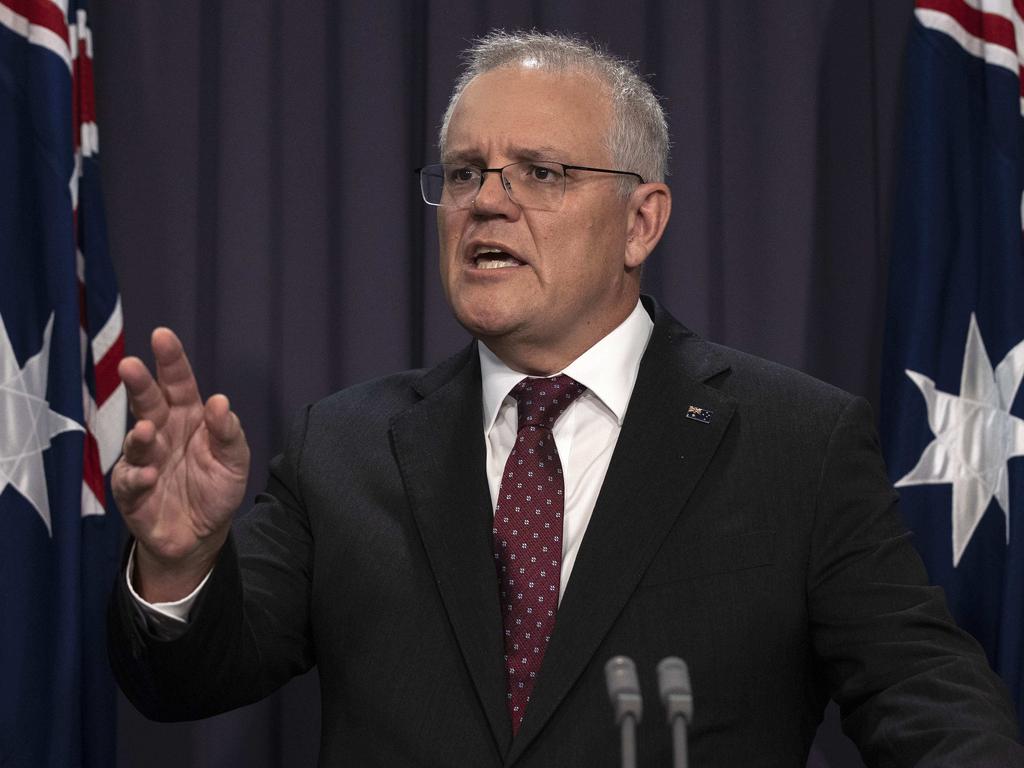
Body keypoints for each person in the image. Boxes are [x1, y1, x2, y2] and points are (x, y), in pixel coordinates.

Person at [108, 31, 1024, 767]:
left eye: (539, 173)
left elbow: (923, 699)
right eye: (464, 173)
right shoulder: (344, 446)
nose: (486, 204)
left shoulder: (797, 443)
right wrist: (181, 567)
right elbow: (188, 683)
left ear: (641, 222)